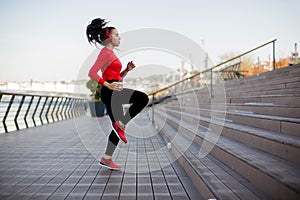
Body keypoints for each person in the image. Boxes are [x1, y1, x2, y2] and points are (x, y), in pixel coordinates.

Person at [86, 18, 149, 170]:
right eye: (117, 35)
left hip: (114, 91)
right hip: (110, 92)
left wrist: (126, 70)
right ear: (109, 37)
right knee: (142, 98)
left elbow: (116, 77)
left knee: (118, 131)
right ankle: (120, 124)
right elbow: (92, 73)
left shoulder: (111, 54)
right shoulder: (105, 53)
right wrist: (107, 84)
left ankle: (107, 158)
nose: (119, 37)